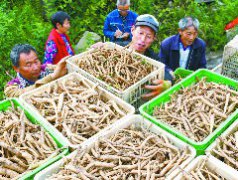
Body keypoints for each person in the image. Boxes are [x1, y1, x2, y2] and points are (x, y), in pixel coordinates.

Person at [93, 14, 172, 100]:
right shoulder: (116, 47)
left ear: (153, 38)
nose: (142, 39)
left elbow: (168, 74)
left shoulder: (152, 59)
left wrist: (168, 83)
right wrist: (100, 47)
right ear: (133, 30)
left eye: (148, 36)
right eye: (140, 33)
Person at [4, 44, 68, 98]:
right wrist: (52, 77)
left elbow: (64, 68)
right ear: (16, 68)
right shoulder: (12, 88)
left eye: (36, 61)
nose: (35, 67)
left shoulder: (47, 69)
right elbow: (20, 95)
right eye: (29, 65)